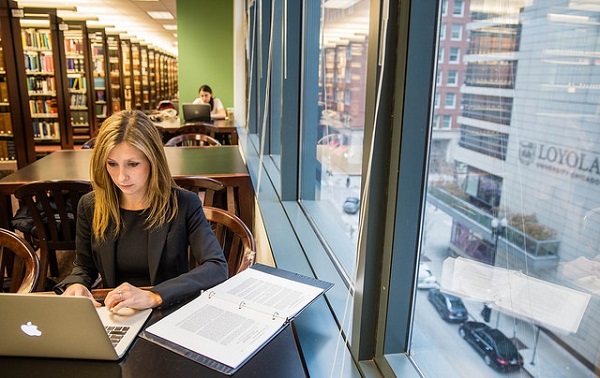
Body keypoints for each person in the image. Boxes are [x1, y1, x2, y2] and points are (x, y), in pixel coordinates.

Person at [54, 110, 228, 312]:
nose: (121, 177)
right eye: (112, 164)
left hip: (166, 310)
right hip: (116, 312)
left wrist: (155, 295)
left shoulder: (184, 204)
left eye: (133, 164)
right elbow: (84, 266)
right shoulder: (90, 205)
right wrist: (77, 284)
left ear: (152, 161)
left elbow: (216, 266)